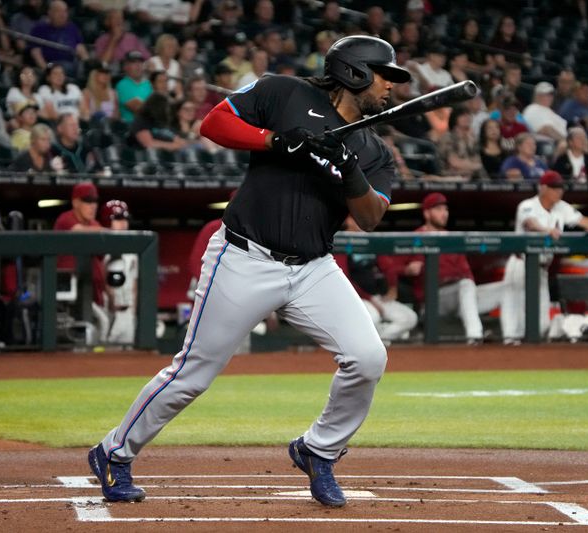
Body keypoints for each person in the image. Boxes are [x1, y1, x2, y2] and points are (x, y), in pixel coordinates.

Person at [87, 35, 413, 508]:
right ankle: (113, 452)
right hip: (244, 256)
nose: (391, 85)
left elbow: (370, 215)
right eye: (386, 74)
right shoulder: (284, 92)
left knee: (367, 357)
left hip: (313, 268)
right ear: (355, 73)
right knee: (193, 373)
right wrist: (276, 140)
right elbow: (213, 122)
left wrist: (346, 168)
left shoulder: (370, 148)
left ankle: (318, 450)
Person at [501, 170, 588, 344]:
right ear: (543, 188)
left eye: (561, 188)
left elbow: (587, 223)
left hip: (541, 269)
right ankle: (508, 354)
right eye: (554, 188)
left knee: (541, 325)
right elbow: (530, 223)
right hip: (520, 265)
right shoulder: (527, 205)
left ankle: (528, 352)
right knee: (512, 323)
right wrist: (546, 230)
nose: (559, 191)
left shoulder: (561, 207)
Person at [401, 193, 487, 344]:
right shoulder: (415, 237)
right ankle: (475, 336)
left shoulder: (453, 238)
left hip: (460, 296)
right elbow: (397, 267)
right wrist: (407, 270)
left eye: (445, 209)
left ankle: (513, 340)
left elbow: (466, 273)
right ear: (427, 213)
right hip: (432, 301)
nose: (444, 213)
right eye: (438, 209)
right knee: (466, 285)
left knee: (506, 288)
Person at [338, 215, 418, 343]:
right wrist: (370, 299)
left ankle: (378, 340)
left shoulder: (370, 240)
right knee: (373, 318)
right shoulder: (340, 241)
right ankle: (376, 341)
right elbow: (344, 280)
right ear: (347, 221)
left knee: (409, 317)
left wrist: (393, 287)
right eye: (355, 218)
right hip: (357, 299)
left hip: (377, 296)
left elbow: (388, 267)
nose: (361, 221)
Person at [54, 181, 106, 309]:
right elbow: (78, 231)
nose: (93, 206)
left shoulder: (95, 224)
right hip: (69, 293)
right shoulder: (65, 219)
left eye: (95, 201)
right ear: (75, 202)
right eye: (88, 201)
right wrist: (110, 231)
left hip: (94, 294)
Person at [100, 199, 138, 344]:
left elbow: (135, 285)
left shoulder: (134, 250)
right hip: (106, 312)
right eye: (117, 219)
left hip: (127, 314)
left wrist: (133, 313)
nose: (123, 223)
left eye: (125, 219)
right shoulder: (99, 250)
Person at [29, 0, 89, 76]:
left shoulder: (72, 28)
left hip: (71, 65)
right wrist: (47, 70)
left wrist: (88, 63)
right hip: (51, 65)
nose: (62, 15)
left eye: (65, 11)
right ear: (50, 13)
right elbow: (36, 53)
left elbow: (80, 48)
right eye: (58, 11)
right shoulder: (39, 29)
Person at [436, 107, 484, 180]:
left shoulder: (472, 138)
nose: (467, 117)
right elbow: (454, 162)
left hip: (472, 177)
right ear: (455, 118)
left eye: (468, 115)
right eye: (463, 115)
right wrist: (473, 166)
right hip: (450, 178)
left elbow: (478, 160)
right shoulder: (448, 137)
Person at [116, 51, 152, 123]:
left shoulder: (148, 84)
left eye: (140, 62)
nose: (138, 65)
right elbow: (137, 109)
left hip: (149, 125)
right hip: (131, 126)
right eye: (134, 62)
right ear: (125, 66)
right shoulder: (122, 85)